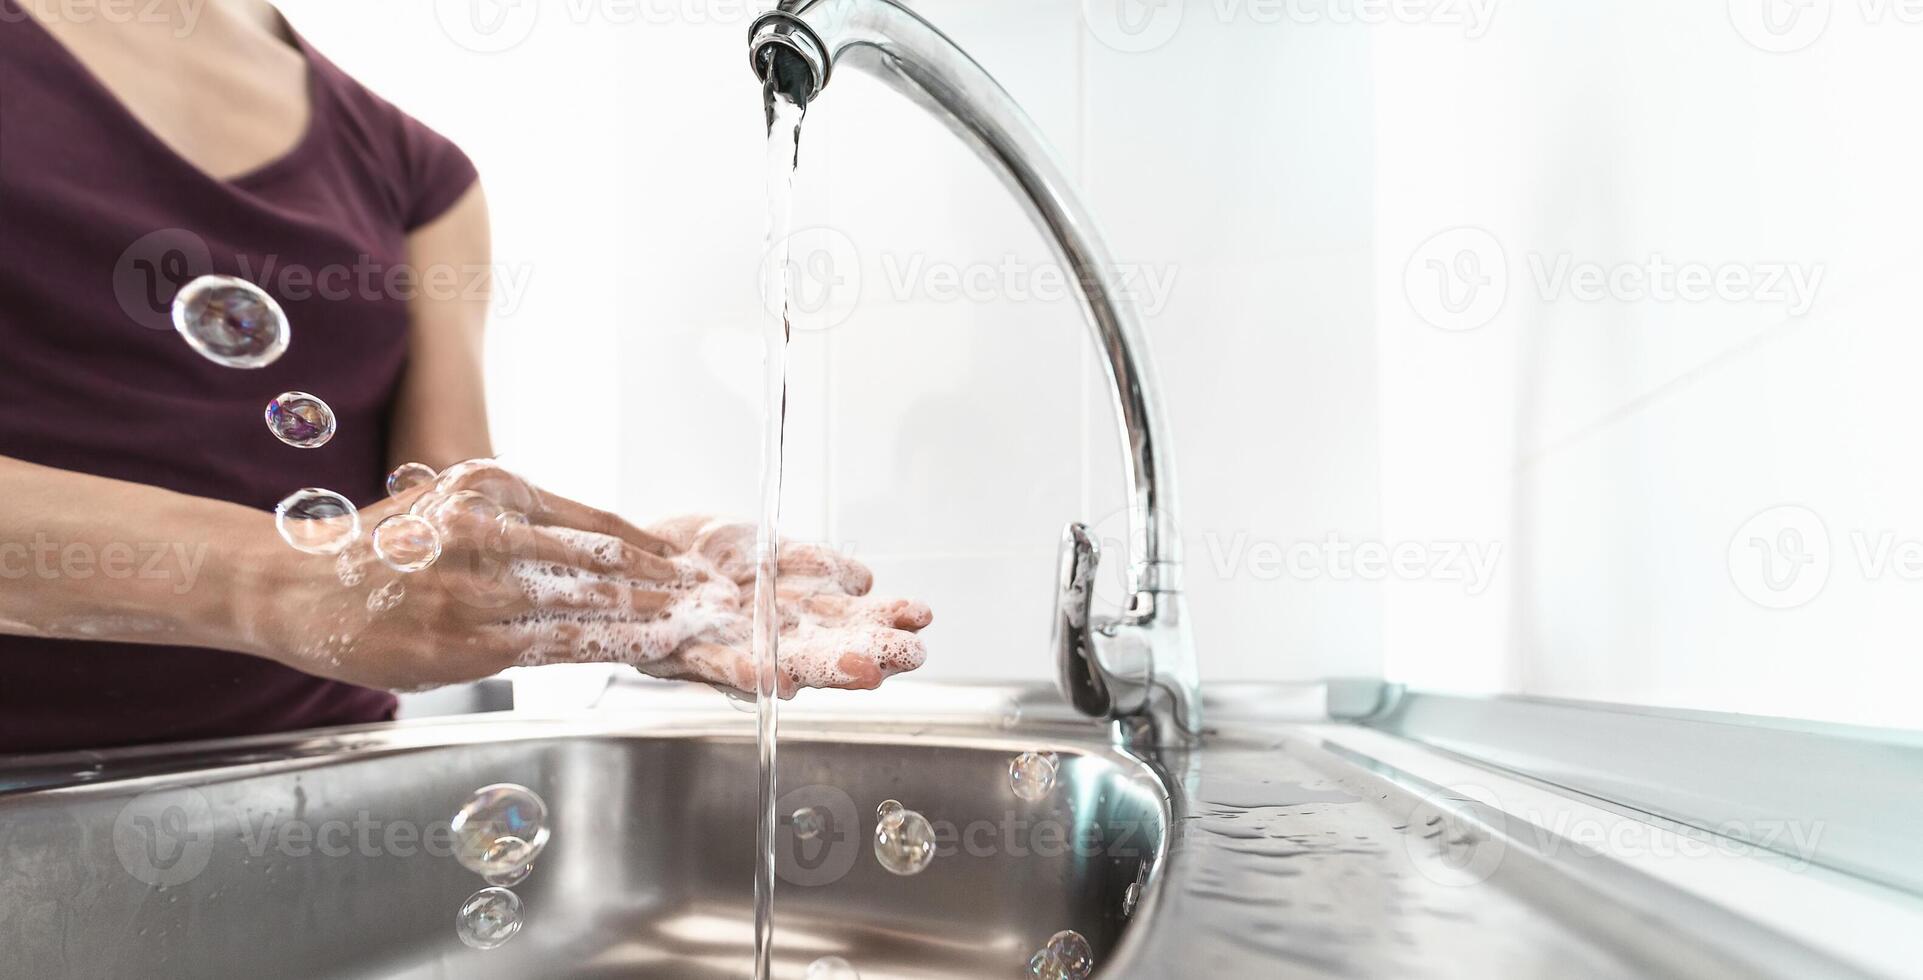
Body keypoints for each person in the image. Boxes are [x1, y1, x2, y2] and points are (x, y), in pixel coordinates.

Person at [0, 0, 931, 754]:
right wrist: (279, 582)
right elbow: (323, 571)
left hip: (316, 800)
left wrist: (646, 583)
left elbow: (441, 518)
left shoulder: (419, 174)